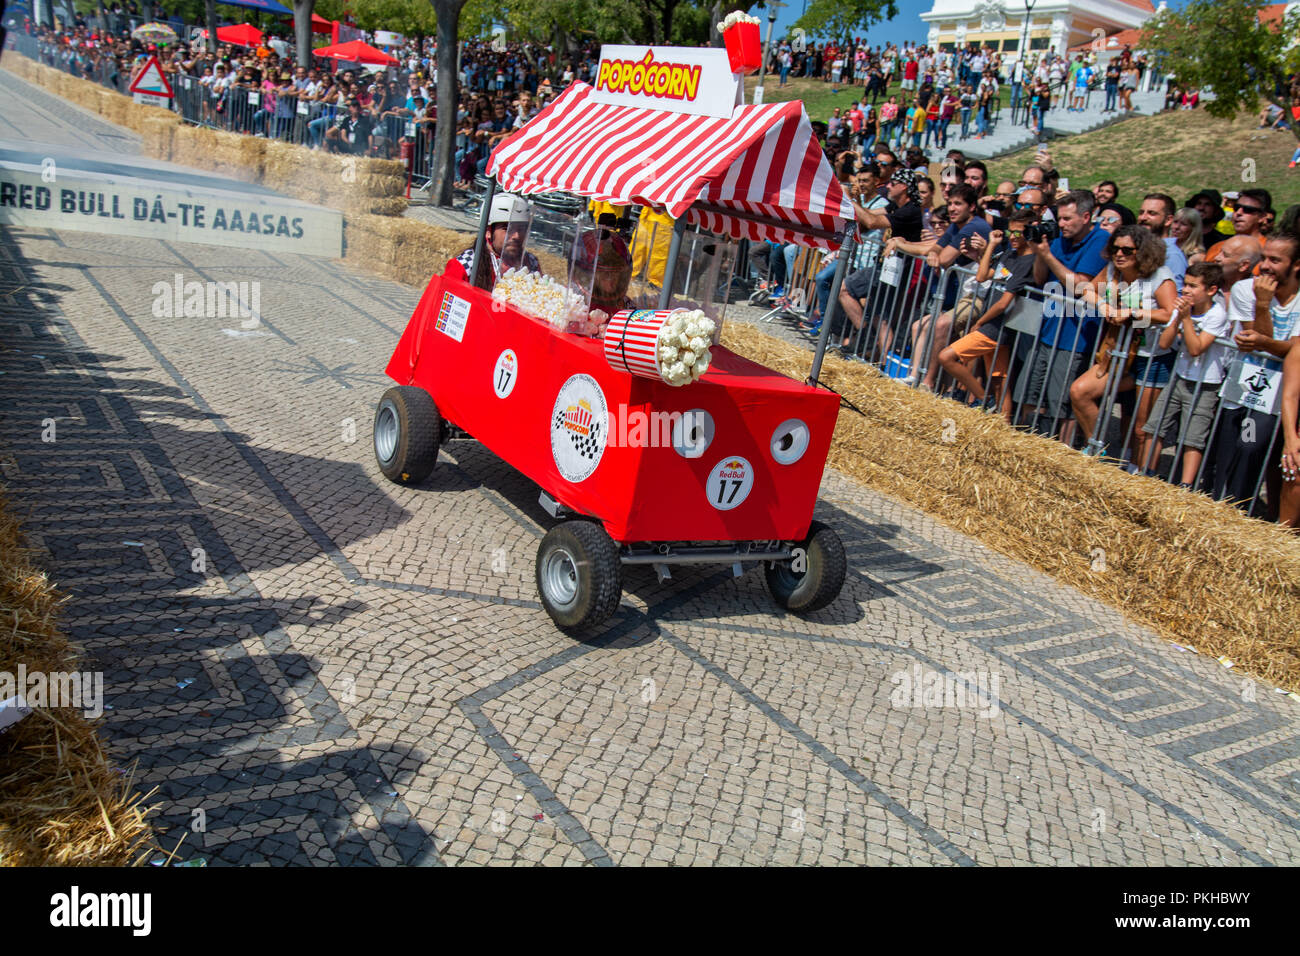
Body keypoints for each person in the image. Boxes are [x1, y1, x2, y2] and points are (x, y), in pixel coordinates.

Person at [1207, 231, 1300, 513]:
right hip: (1243, 384)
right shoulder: (1245, 289)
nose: (1266, 267)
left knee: (1252, 450)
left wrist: (1264, 336)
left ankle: (1242, 513)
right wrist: (1262, 304)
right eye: (1264, 259)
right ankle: (1219, 507)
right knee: (1227, 451)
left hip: (1279, 392)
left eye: (1275, 260)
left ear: (1296, 264)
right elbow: (1251, 340)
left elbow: (1292, 352)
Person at [1067, 225, 1176, 456]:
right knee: (1080, 391)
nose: (1119, 254)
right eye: (1115, 248)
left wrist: (1134, 313)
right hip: (1117, 352)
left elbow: (1168, 313)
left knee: (1141, 425)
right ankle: (1097, 449)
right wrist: (1103, 304)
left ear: (1143, 251)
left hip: (1151, 358)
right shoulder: (1111, 271)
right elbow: (1085, 290)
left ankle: (1138, 473)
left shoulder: (1160, 277)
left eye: (1127, 250)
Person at [1020, 190, 1110, 435]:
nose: (1061, 224)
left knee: (1062, 405)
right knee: (1031, 394)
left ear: (1086, 216)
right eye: (1060, 218)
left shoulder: (1100, 240)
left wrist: (1048, 255)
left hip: (1075, 336)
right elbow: (1040, 279)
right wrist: (1041, 253)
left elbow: (1080, 285)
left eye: (1068, 219)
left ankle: (1064, 449)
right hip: (1047, 329)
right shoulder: (1057, 240)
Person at [938, 208, 1039, 411]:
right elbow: (982, 276)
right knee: (999, 376)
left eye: (1018, 233)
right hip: (992, 323)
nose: (1013, 237)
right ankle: (1004, 419)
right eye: (1010, 232)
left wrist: (980, 322)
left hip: (996, 325)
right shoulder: (1010, 254)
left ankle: (985, 400)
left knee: (946, 357)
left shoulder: (1029, 262)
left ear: (1029, 233)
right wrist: (992, 245)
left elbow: (1004, 303)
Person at [1143, 262, 1231, 486]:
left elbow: (1195, 348)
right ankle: (1146, 475)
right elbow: (1164, 343)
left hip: (1205, 385)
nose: (1186, 290)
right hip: (1179, 377)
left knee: (1192, 438)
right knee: (1155, 426)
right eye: (1186, 285)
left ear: (1211, 290)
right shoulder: (1182, 309)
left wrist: (1185, 319)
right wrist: (1177, 319)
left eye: (1193, 286)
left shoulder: (1217, 314)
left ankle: (1185, 487)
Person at [445, 193, 541, 290]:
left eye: (521, 228)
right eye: (507, 228)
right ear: (488, 231)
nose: (516, 236)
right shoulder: (465, 265)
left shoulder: (531, 263)